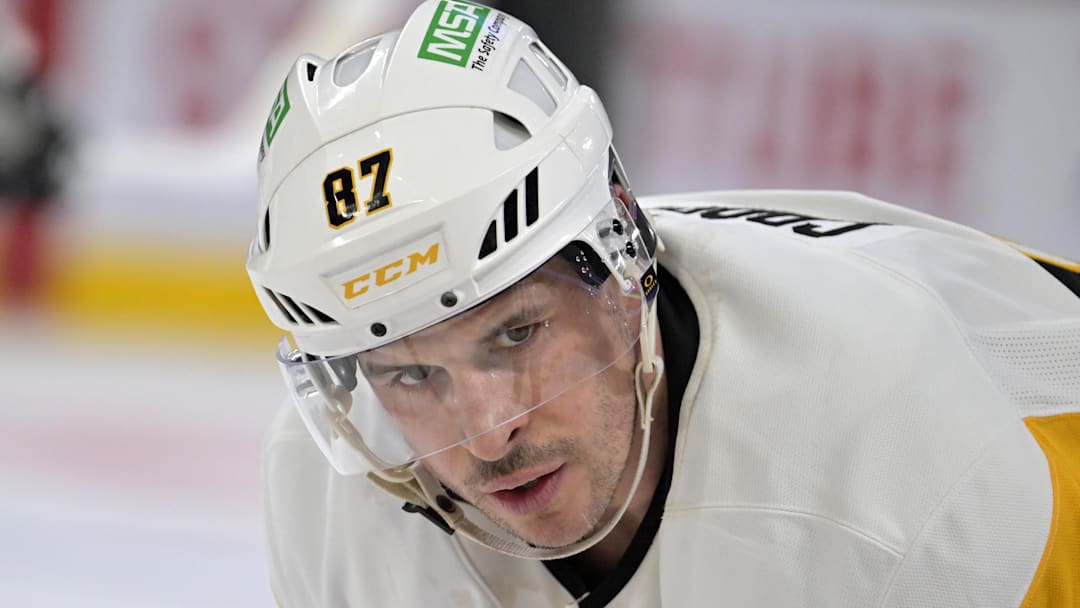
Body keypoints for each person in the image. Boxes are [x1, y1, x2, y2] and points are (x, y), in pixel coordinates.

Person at [246, 2, 1080, 606]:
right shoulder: (325, 498)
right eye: (412, 374)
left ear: (624, 260)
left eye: (519, 332)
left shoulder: (900, 479)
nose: (488, 431)